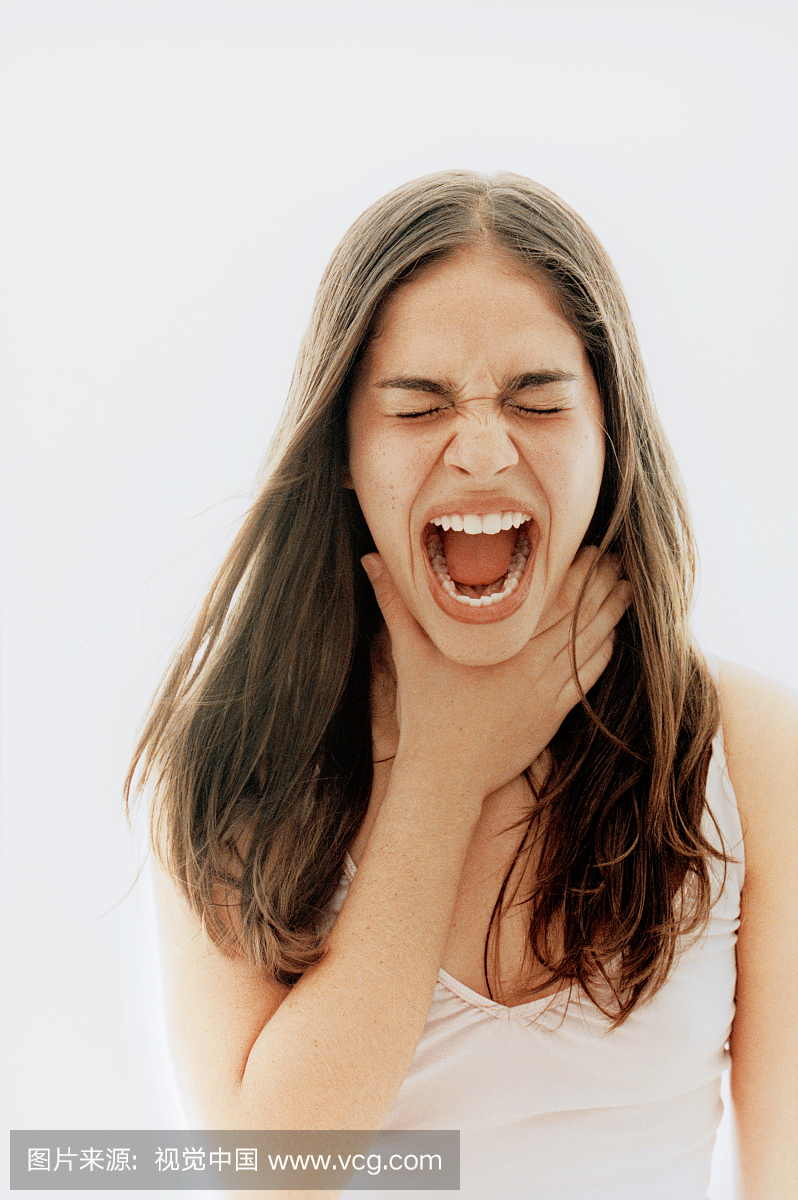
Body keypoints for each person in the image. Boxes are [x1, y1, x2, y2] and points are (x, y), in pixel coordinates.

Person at [127, 171, 797, 1200]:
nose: (483, 450)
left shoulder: (747, 747)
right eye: (416, 406)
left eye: (538, 401)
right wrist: (444, 768)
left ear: (609, 438)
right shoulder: (233, 761)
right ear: (343, 454)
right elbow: (274, 1178)